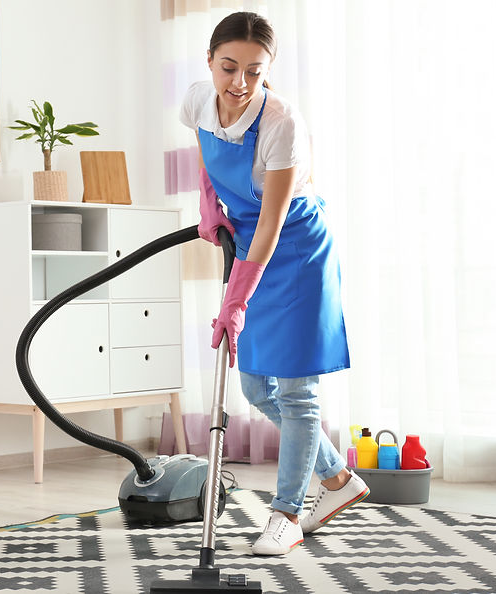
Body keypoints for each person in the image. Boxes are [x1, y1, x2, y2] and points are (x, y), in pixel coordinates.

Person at [180, 11, 369, 556]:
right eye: (228, 67)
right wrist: (206, 204)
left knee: (295, 390)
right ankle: (338, 480)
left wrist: (234, 301)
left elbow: (271, 223)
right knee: (256, 387)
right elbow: (206, 150)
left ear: (270, 71)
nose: (239, 83)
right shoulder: (197, 100)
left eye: (254, 72)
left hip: (295, 251)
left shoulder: (283, 122)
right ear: (210, 62)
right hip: (249, 247)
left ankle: (285, 514)